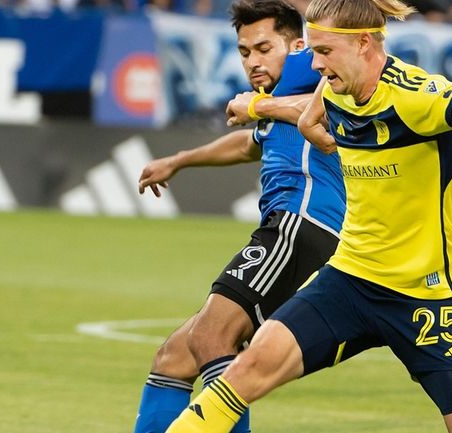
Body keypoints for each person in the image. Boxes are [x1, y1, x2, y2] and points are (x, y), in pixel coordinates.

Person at [163, 1, 452, 432]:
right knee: (243, 373)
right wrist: (306, 125)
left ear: (362, 44)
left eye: (324, 52)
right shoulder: (335, 85)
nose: (315, 64)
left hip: (425, 299)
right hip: (350, 280)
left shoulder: (415, 97)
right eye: (313, 51)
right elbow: (310, 109)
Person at [132, 2, 346, 432]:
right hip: (288, 228)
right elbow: (250, 144)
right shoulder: (276, 97)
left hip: (301, 225)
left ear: (299, 45)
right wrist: (179, 160)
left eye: (264, 47)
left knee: (212, 336)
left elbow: (323, 106)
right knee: (173, 358)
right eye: (245, 51)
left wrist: (261, 108)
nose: (253, 61)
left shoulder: (310, 70)